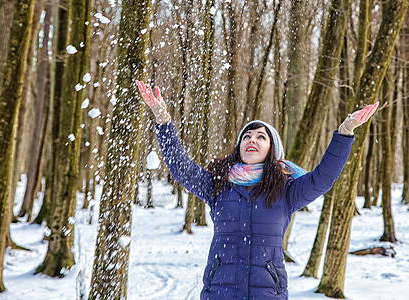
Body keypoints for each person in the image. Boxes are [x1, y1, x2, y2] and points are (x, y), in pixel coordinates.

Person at [136, 80, 379, 300]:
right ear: (239, 147)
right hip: (219, 292)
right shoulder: (218, 185)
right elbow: (181, 168)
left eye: (261, 137)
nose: (252, 140)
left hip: (268, 294)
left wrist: (346, 130)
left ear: (272, 150)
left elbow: (323, 179)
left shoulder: (286, 190)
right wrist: (163, 119)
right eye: (247, 136)